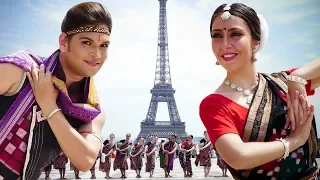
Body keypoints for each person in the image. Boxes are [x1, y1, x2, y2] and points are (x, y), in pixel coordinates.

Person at [199, 3, 320, 179]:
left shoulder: (283, 83)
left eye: (235, 34)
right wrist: (294, 141)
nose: (225, 44)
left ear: (256, 41)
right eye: (217, 35)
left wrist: (298, 77)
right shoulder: (214, 105)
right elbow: (239, 157)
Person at [0, 2, 111, 179]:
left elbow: (85, 159)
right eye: (86, 42)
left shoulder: (91, 109)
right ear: (64, 42)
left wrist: (50, 107)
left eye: (104, 45)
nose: (96, 54)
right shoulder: (22, 71)